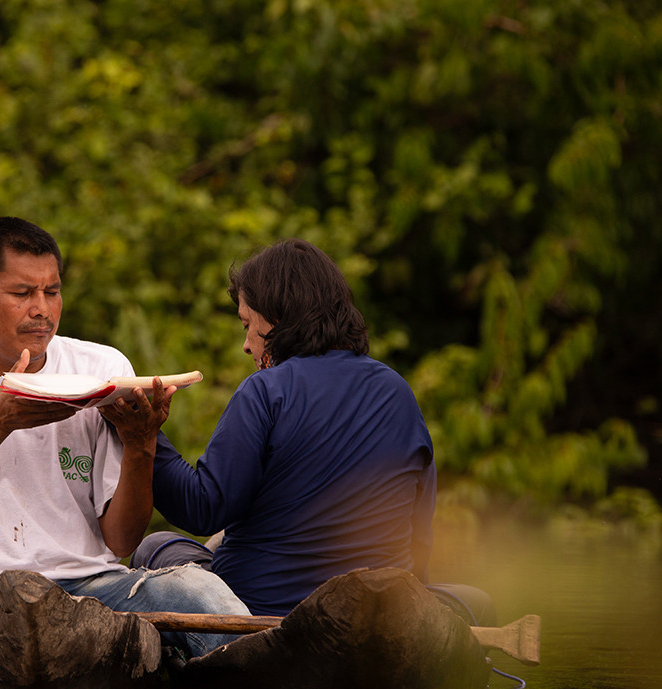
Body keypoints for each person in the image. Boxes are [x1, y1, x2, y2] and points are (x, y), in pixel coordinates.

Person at [0, 217, 250, 657]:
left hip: (87, 589)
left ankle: (260, 675)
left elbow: (121, 542)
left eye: (52, 292)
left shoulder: (101, 368)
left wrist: (140, 445)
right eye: (22, 294)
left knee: (196, 589)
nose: (42, 310)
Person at [135, 237, 493, 625]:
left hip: (260, 615)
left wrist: (144, 436)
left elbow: (204, 508)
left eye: (248, 325)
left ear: (277, 316)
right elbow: (420, 529)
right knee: (475, 599)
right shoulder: (397, 390)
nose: (246, 345)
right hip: (379, 612)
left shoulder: (266, 391)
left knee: (158, 546)